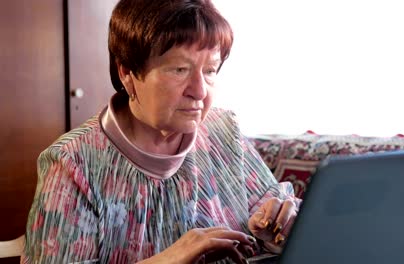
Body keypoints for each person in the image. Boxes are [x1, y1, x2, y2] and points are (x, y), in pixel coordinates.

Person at [24, 0, 300, 263]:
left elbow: (273, 213)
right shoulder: (73, 162)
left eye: (210, 70)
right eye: (180, 69)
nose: (199, 91)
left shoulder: (223, 130)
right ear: (127, 72)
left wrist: (278, 229)